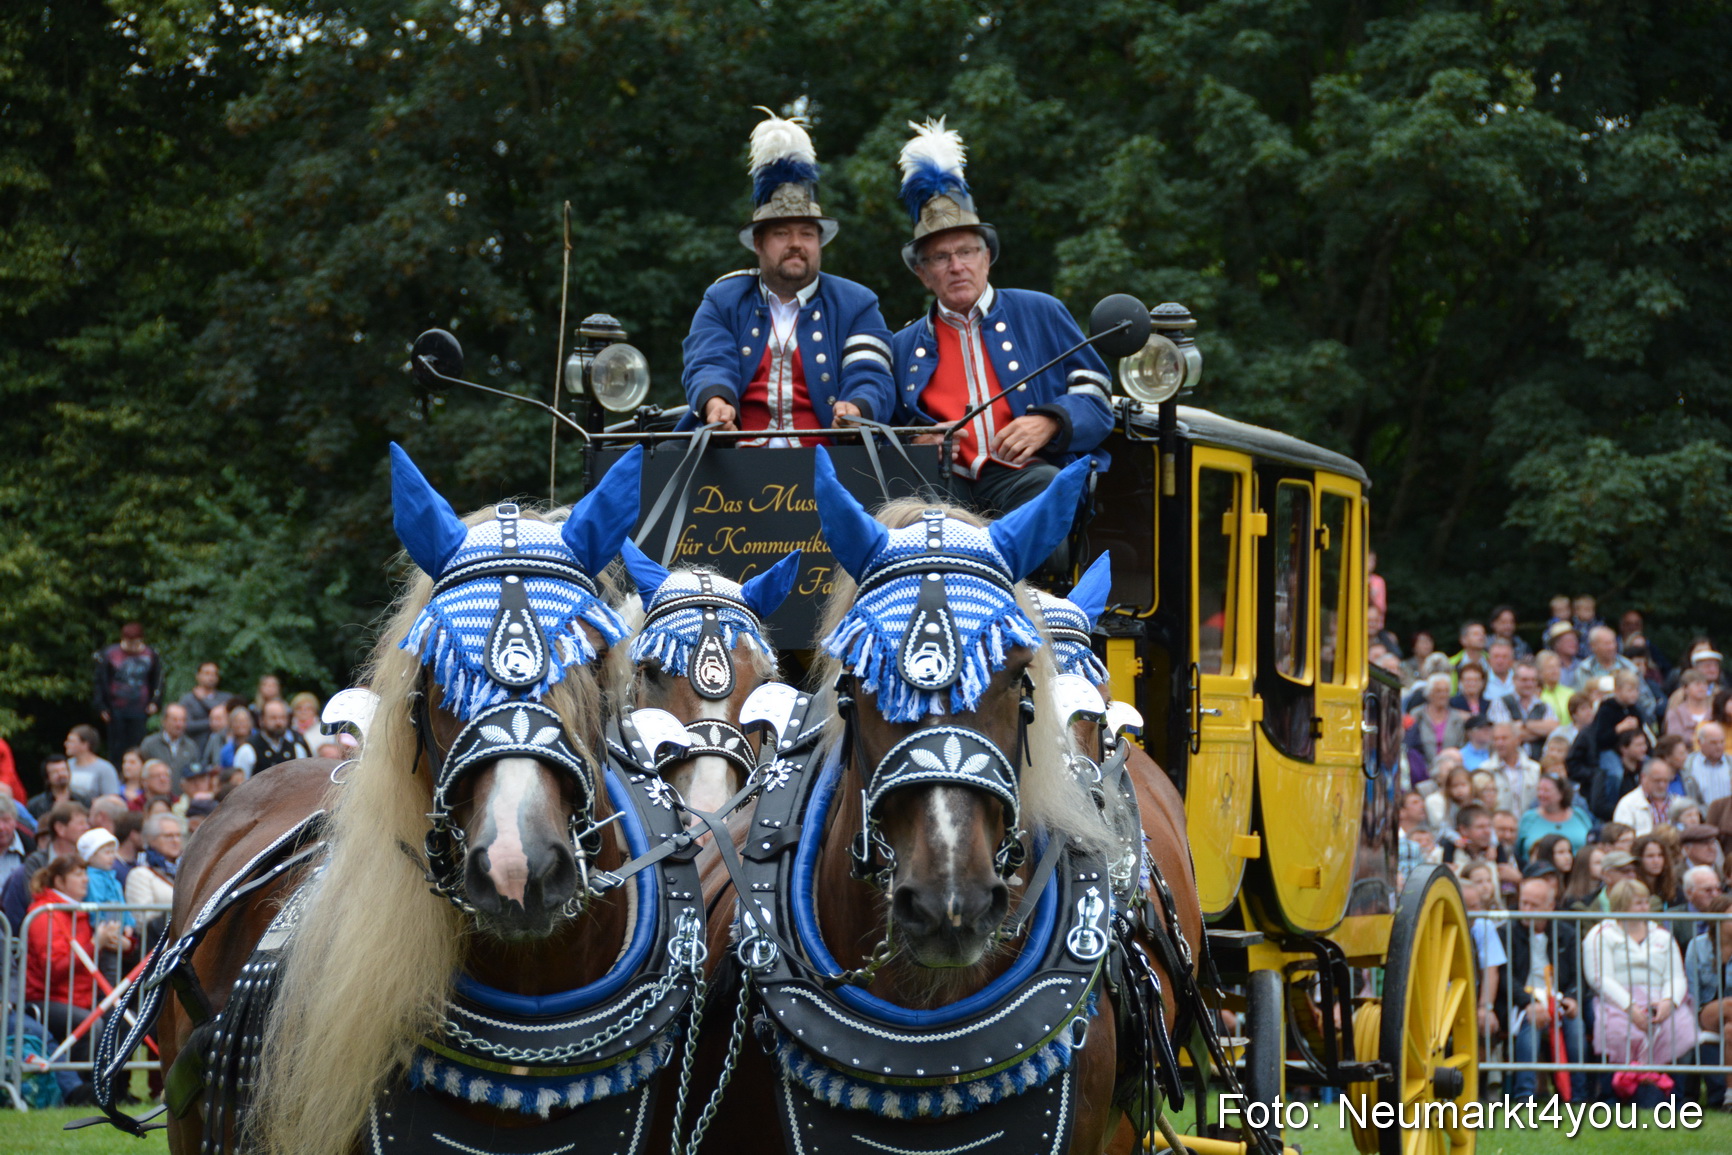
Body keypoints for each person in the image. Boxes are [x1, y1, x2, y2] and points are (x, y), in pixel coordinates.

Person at [888, 118, 1113, 519]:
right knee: (910, 504)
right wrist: (914, 443)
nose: (956, 266)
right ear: (922, 274)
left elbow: (1096, 399)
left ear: (987, 257)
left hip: (1026, 478)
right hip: (942, 488)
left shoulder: (1041, 311)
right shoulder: (902, 345)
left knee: (1047, 487)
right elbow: (883, 436)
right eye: (940, 257)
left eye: (967, 252)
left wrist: (1051, 423)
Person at [682, 110, 894, 445]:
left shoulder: (858, 303)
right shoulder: (722, 299)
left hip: (828, 466)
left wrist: (857, 407)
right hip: (731, 467)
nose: (796, 244)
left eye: (807, 234)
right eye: (782, 233)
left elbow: (871, 375)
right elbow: (708, 361)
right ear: (758, 243)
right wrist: (716, 402)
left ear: (819, 243)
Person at [1585, 879, 1697, 1081]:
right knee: (1619, 1030)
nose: (1645, 907)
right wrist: (1631, 1008)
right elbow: (1600, 978)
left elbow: (1676, 976)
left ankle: (1675, 1096)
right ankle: (1617, 1093)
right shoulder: (1601, 934)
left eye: (1646, 902)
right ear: (1621, 905)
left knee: (1681, 1027)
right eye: (1638, 903)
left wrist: (1668, 1002)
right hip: (1617, 1000)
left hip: (1658, 999)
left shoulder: (1662, 935)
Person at [24, 854, 125, 1077]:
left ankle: (114, 1087)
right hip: (47, 998)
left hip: (82, 997)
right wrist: (95, 943)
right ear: (59, 881)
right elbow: (55, 970)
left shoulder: (81, 911)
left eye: (85, 873)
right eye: (78, 874)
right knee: (91, 1024)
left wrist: (123, 942)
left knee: (122, 1018)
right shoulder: (44, 915)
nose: (86, 880)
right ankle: (78, 1087)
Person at [1507, 872, 1584, 1101]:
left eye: (1534, 905)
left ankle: (1578, 1098)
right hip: (1522, 1001)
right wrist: (1527, 1002)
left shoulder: (1567, 933)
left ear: (1550, 906)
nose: (1526, 910)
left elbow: (1577, 974)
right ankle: (1524, 1098)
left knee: (1576, 1027)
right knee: (1530, 1027)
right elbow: (1505, 977)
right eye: (1523, 903)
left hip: (1557, 999)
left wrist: (1572, 997)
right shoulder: (1507, 931)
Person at [1683, 894, 1732, 1109]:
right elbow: (1691, 990)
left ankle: (1729, 1096)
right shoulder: (1698, 946)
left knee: (1731, 1031)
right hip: (1705, 1010)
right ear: (1716, 919)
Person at [92, 620, 162, 760]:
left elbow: (158, 681)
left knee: (137, 745)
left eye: (135, 643)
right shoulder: (109, 654)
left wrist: (155, 702)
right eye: (129, 643)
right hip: (115, 709)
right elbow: (99, 682)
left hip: (139, 709)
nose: (132, 647)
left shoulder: (151, 654)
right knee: (116, 747)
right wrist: (101, 707)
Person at [1488, 660, 1559, 761]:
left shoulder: (1545, 706)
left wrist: (1523, 725)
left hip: (1539, 763)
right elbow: (1505, 734)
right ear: (1514, 680)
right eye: (1524, 680)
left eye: (1533, 680)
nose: (1529, 684)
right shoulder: (1500, 702)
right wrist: (1540, 731)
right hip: (1508, 762)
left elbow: (1554, 728)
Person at [1517, 774, 1592, 858]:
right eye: (1539, 790)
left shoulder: (1579, 815)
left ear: (1561, 793)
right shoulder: (1528, 818)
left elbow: (1591, 844)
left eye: (1546, 791)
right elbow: (1518, 852)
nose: (1541, 794)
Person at [1589, 727, 1650, 822]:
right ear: (1624, 749)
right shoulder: (1607, 773)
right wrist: (1626, 811)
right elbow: (1598, 806)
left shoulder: (1644, 770)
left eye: (1644, 744)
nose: (1644, 748)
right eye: (1638, 745)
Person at [235, 699, 312, 776]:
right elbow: (240, 784)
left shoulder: (296, 749)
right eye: (273, 718)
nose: (278, 722)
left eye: (282, 718)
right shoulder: (247, 750)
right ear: (261, 720)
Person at [139, 702, 203, 789]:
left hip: (182, 799)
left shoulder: (191, 747)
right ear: (164, 721)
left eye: (182, 720)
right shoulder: (149, 744)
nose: (179, 725)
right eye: (175, 720)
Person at [1613, 758, 1675, 838]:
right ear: (1643, 777)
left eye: (1666, 781)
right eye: (1657, 781)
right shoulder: (1628, 804)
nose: (1662, 785)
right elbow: (1623, 839)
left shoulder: (1677, 802)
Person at [1487, 722, 1540, 812]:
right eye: (1496, 739)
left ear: (1517, 740)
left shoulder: (1535, 769)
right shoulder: (1485, 770)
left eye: (1504, 738)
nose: (1499, 743)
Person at [178, 660, 233, 744]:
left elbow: (229, 720)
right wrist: (210, 723)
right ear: (198, 676)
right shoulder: (187, 700)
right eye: (207, 673)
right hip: (196, 746)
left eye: (214, 674)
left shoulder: (226, 698)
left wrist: (204, 700)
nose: (211, 677)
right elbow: (185, 725)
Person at [62, 724, 120, 800]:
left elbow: (112, 798)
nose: (66, 744)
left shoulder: (105, 768)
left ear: (85, 745)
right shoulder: (66, 765)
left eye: (71, 741)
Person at [26, 754, 87, 822]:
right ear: (47, 778)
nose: (61, 774)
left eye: (63, 770)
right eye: (55, 772)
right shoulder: (35, 805)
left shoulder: (83, 801)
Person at [1685, 723, 1731, 810]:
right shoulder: (1688, 766)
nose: (1719, 747)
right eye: (1713, 743)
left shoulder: (1730, 763)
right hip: (1701, 819)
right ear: (1699, 742)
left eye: (1722, 742)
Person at [1631, 833, 1681, 907]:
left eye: (1660, 855)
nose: (1656, 861)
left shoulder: (1674, 889)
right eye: (1650, 856)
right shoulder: (1631, 889)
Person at [1546, 621, 1585, 687]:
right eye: (1568, 640)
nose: (1574, 643)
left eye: (1575, 639)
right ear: (1556, 644)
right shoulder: (1548, 668)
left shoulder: (1583, 665)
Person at [1484, 637, 1519, 701]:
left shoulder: (1520, 680)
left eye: (1505, 657)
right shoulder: (1482, 681)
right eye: (1496, 656)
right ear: (1489, 660)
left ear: (1512, 660)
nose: (1500, 661)